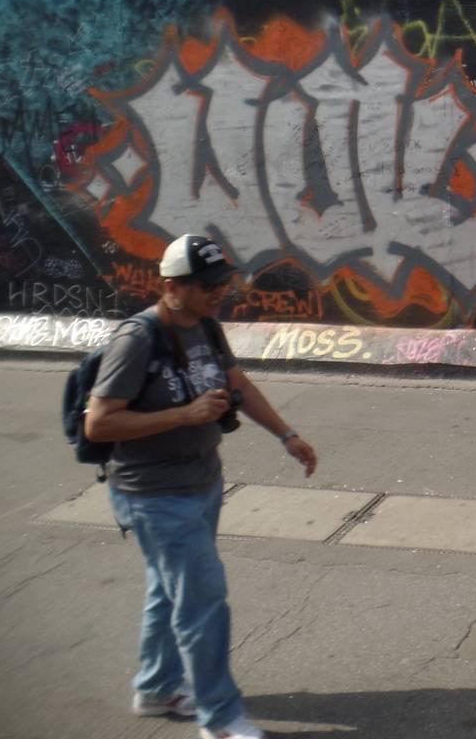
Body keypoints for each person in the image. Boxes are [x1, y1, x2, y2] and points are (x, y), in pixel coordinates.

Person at [85, 234, 319, 739]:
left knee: (168, 593)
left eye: (223, 282)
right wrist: (183, 415)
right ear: (172, 286)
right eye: (208, 284)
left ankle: (156, 687)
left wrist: (287, 435)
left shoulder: (206, 327)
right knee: (203, 604)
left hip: (201, 482)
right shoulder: (137, 339)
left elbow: (239, 385)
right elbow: (99, 423)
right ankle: (221, 718)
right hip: (154, 494)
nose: (220, 292)